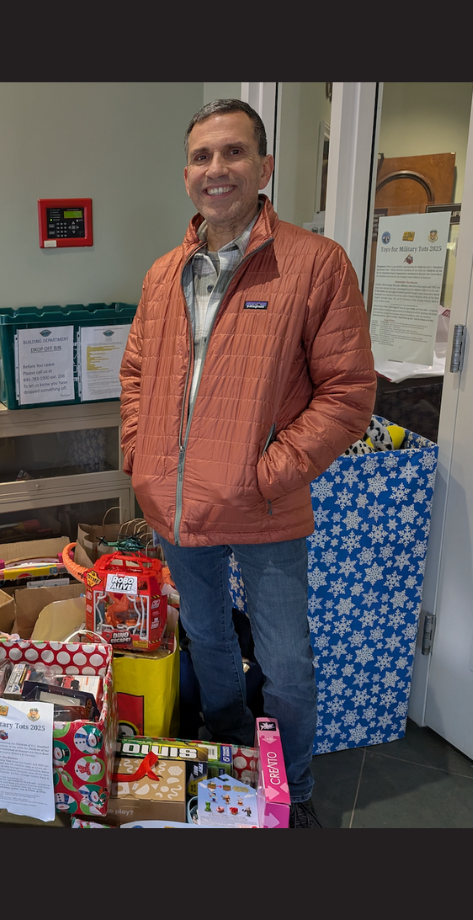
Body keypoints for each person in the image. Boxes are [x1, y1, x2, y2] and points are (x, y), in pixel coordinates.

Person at [119, 99, 377, 828]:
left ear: (264, 168)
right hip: (176, 504)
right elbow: (136, 374)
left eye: (233, 153)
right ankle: (234, 759)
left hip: (265, 506)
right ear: (186, 175)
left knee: (286, 661)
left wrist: (268, 472)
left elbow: (348, 391)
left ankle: (291, 794)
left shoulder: (314, 263)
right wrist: (140, 459)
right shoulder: (163, 274)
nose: (217, 170)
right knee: (205, 639)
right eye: (202, 157)